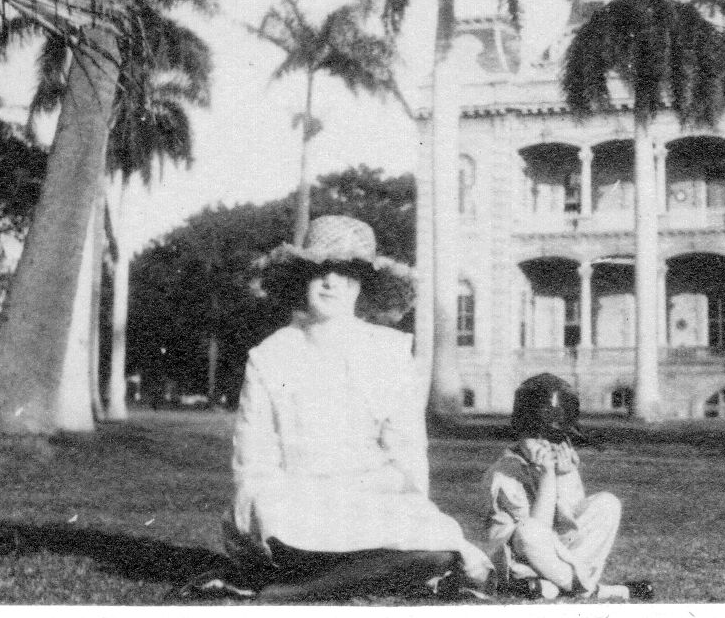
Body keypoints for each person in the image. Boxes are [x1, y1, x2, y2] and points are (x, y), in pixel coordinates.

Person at [178, 215, 492, 602]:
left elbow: (407, 451)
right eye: (319, 271)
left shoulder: (389, 352)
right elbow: (254, 459)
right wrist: (259, 507)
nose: (331, 283)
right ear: (301, 278)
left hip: (369, 496)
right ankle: (353, 574)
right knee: (274, 515)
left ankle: (294, 592)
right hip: (296, 496)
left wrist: (410, 506)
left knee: (438, 543)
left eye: (347, 273)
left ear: (363, 285)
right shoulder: (271, 356)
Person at [482, 373, 653, 602]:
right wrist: (548, 477)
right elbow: (535, 534)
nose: (545, 443)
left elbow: (570, 529)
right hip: (520, 561)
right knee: (529, 531)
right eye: (535, 434)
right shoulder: (505, 473)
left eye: (555, 437)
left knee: (607, 503)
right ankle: (595, 590)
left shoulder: (558, 464)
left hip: (555, 559)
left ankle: (556, 585)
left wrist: (564, 477)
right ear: (520, 433)